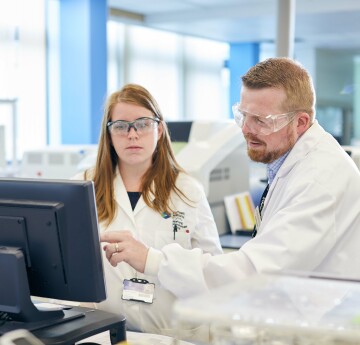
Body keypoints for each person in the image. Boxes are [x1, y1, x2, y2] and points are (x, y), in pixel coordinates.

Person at [100, 57, 360, 300]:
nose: (246, 129)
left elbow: (253, 272)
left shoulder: (319, 181)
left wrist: (151, 260)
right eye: (243, 115)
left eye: (261, 120)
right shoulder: (291, 166)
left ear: (301, 122)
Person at [73, 84, 223, 337]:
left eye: (143, 124)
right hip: (104, 331)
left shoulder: (187, 191)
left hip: (172, 332)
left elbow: (213, 273)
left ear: (160, 129)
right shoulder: (82, 187)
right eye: (120, 126)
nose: (132, 135)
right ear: (108, 134)